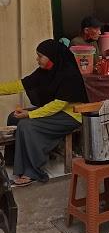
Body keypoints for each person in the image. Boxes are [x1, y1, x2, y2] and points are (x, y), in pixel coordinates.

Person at [0, 39, 88, 186]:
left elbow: (58, 105)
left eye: (40, 56)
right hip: (57, 110)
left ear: (52, 56)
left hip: (72, 115)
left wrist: (30, 114)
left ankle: (32, 172)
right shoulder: (45, 71)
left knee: (27, 125)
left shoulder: (69, 74)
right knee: (13, 117)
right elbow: (21, 84)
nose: (37, 59)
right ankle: (15, 161)